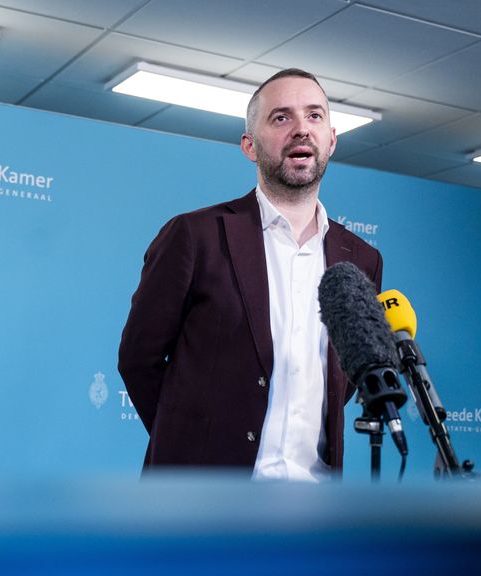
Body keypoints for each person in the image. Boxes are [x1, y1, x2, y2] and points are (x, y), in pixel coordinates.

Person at [117, 68, 382, 481]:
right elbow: (139, 360)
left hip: (314, 501)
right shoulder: (195, 236)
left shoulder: (362, 259)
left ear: (331, 139)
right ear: (249, 146)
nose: (301, 129)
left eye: (314, 116)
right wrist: (189, 448)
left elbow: (344, 380)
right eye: (281, 117)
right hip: (205, 498)